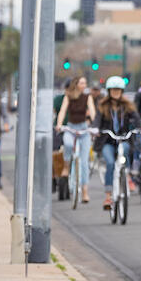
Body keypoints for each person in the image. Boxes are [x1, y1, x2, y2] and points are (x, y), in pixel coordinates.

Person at [94, 76, 141, 209]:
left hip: (123, 138)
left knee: (125, 151)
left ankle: (126, 173)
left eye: (118, 90)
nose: (116, 92)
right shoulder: (103, 106)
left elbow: (137, 119)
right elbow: (97, 120)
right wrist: (95, 128)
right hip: (107, 140)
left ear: (122, 91)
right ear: (109, 91)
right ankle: (108, 196)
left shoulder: (127, 106)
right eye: (113, 90)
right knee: (110, 162)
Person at [55, 76, 96, 204]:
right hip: (71, 128)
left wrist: (95, 126)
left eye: (85, 83)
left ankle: (84, 191)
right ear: (76, 84)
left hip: (84, 129)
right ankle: (66, 166)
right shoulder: (69, 97)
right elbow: (62, 111)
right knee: (67, 144)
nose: (84, 85)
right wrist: (59, 124)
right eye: (81, 83)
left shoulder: (87, 97)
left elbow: (93, 112)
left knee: (84, 162)